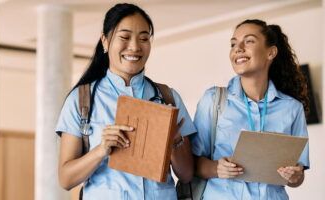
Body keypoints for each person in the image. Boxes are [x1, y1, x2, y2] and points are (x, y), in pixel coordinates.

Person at [55, 3, 196, 199]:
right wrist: (100, 150)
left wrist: (174, 141)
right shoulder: (81, 100)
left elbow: (187, 174)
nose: (135, 47)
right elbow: (66, 179)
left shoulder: (168, 97)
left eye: (144, 38)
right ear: (105, 41)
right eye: (124, 37)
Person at [190, 19, 310, 199]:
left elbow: (298, 177)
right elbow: (192, 164)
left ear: (271, 52)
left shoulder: (292, 109)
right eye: (233, 44)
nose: (238, 48)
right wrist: (217, 168)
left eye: (249, 41)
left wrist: (294, 175)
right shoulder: (214, 100)